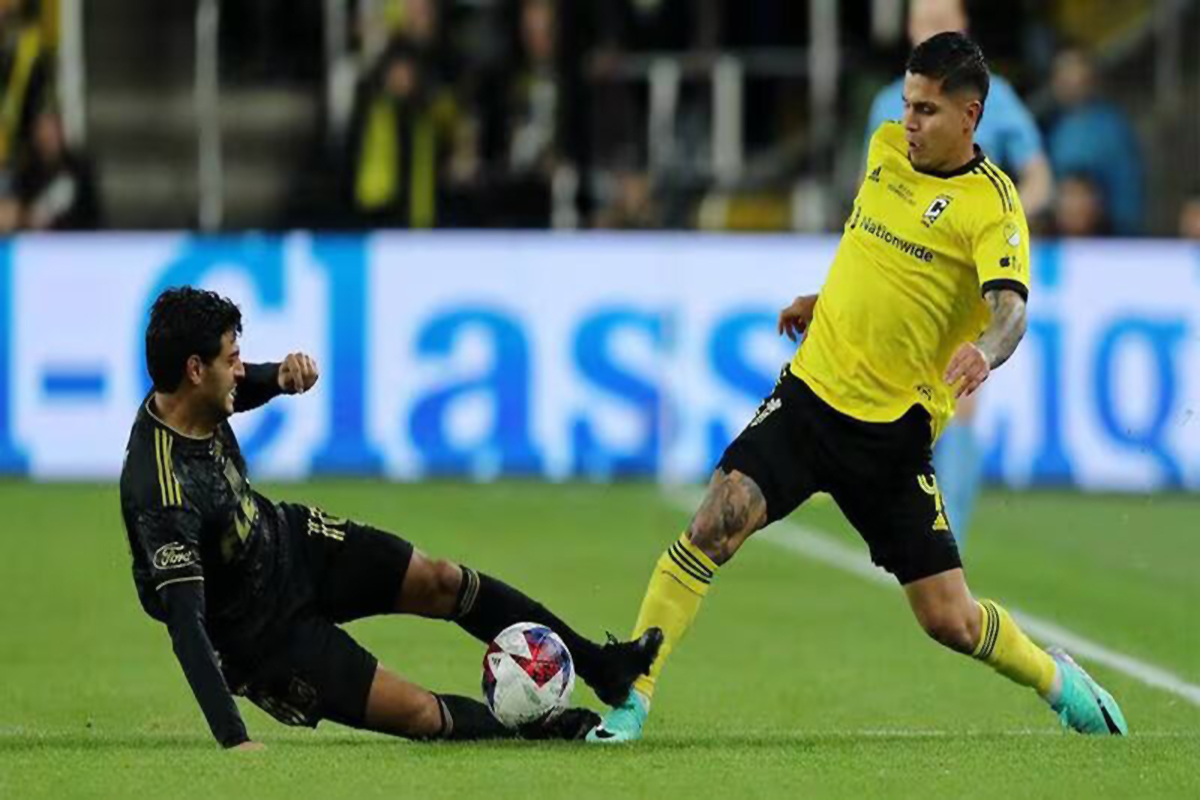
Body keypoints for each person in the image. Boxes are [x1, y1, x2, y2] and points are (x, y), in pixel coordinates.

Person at [589, 32, 1126, 744]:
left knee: (949, 620)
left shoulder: (992, 205)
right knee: (713, 525)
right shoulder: (883, 148)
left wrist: (985, 353)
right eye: (907, 104)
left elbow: (1012, 311)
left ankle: (1057, 681)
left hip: (891, 437)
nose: (909, 121)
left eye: (928, 110)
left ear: (971, 116)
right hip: (812, 397)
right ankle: (634, 693)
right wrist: (825, 300)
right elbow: (868, 245)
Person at [120, 286, 662, 750]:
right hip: (264, 639)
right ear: (195, 370)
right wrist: (234, 739)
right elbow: (187, 626)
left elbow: (233, 391)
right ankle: (540, 728)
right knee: (421, 714)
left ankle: (600, 666)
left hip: (292, 543)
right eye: (233, 359)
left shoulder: (192, 394)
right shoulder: (161, 493)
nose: (243, 368)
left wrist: (278, 379)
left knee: (442, 580)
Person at [864, 0, 1052, 548]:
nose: (932, 30)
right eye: (924, 21)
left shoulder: (997, 102)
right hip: (898, 273)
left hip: (961, 275)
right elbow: (866, 197)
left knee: (959, 394)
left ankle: (951, 542)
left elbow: (1039, 178)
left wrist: (1004, 226)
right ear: (909, 30)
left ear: (963, 27)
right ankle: (907, 523)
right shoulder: (888, 106)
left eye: (942, 20)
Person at [1043, 47, 1143, 236]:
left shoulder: (1111, 128)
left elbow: (1127, 194)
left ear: (1089, 79)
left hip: (1106, 240)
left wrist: (1124, 237)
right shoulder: (1052, 127)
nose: (1069, 81)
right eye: (1062, 75)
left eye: (1075, 73)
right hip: (1060, 238)